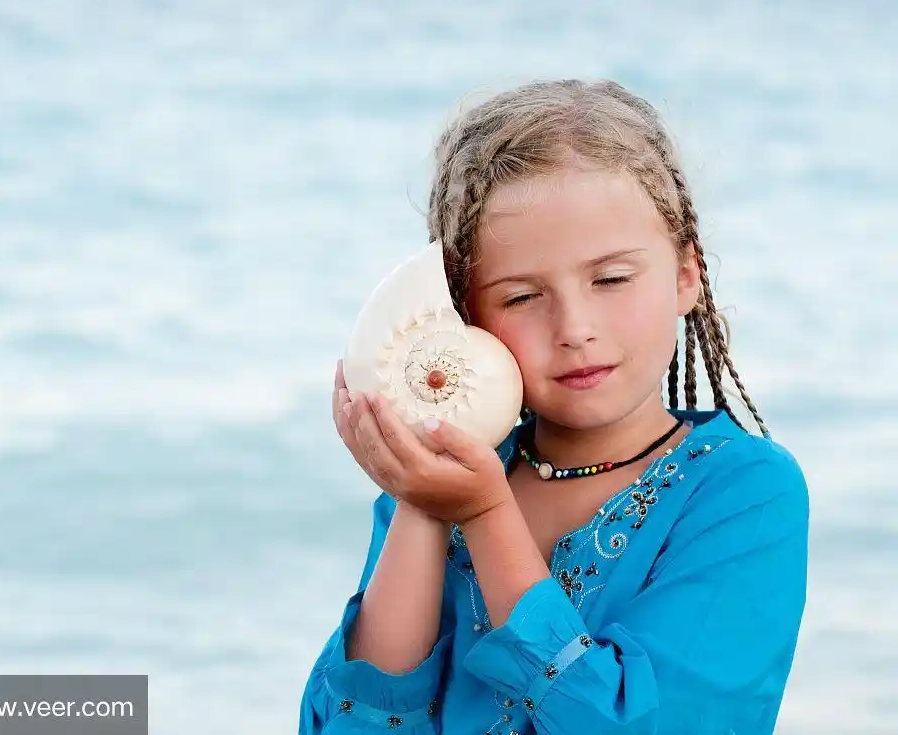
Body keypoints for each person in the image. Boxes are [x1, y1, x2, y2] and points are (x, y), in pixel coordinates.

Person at [297, 79, 809, 735]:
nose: (574, 326)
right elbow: (355, 727)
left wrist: (484, 513)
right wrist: (423, 505)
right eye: (520, 297)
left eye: (611, 279)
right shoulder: (437, 484)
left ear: (688, 274)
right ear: (463, 314)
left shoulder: (747, 491)